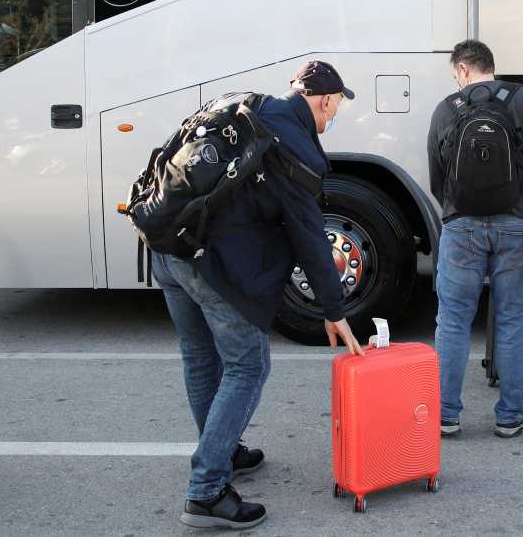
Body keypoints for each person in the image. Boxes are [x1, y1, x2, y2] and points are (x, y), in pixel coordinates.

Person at [153, 60, 365, 530]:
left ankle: (223, 453)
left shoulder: (245, 106)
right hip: (210, 264)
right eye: (335, 106)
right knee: (249, 365)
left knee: (201, 357)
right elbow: (310, 237)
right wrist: (335, 310)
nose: (332, 116)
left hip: (169, 248)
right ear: (325, 99)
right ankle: (206, 491)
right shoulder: (296, 147)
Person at [427, 40, 523, 439]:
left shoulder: (446, 109)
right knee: (511, 320)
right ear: (491, 66)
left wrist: (454, 210)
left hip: (462, 226)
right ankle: (510, 415)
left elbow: (437, 175)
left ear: (462, 70)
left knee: (452, 321)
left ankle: (446, 416)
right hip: (517, 226)